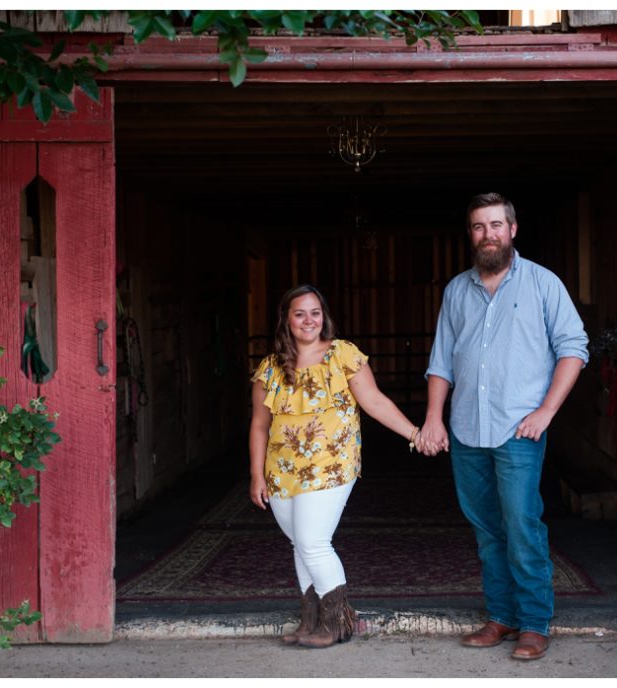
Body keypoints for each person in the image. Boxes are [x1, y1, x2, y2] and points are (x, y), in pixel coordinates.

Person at [417, 192, 588, 661]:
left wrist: (547, 411)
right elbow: (442, 362)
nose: (488, 234)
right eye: (478, 226)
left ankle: (533, 622)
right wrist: (434, 418)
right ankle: (501, 616)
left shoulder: (543, 284)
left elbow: (574, 348)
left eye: (496, 225)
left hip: (519, 432)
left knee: (521, 524)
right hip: (467, 430)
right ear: (471, 235)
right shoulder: (457, 291)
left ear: (513, 230)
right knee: (487, 530)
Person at [249, 284, 420, 649]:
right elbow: (259, 426)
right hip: (282, 471)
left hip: (331, 466)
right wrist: (256, 474)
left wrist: (414, 433)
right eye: (300, 313)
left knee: (313, 541)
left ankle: (338, 622)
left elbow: (373, 401)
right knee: (300, 543)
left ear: (324, 317)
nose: (309, 320)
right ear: (286, 320)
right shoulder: (270, 368)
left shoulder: (342, 355)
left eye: (315, 312)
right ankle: (310, 621)